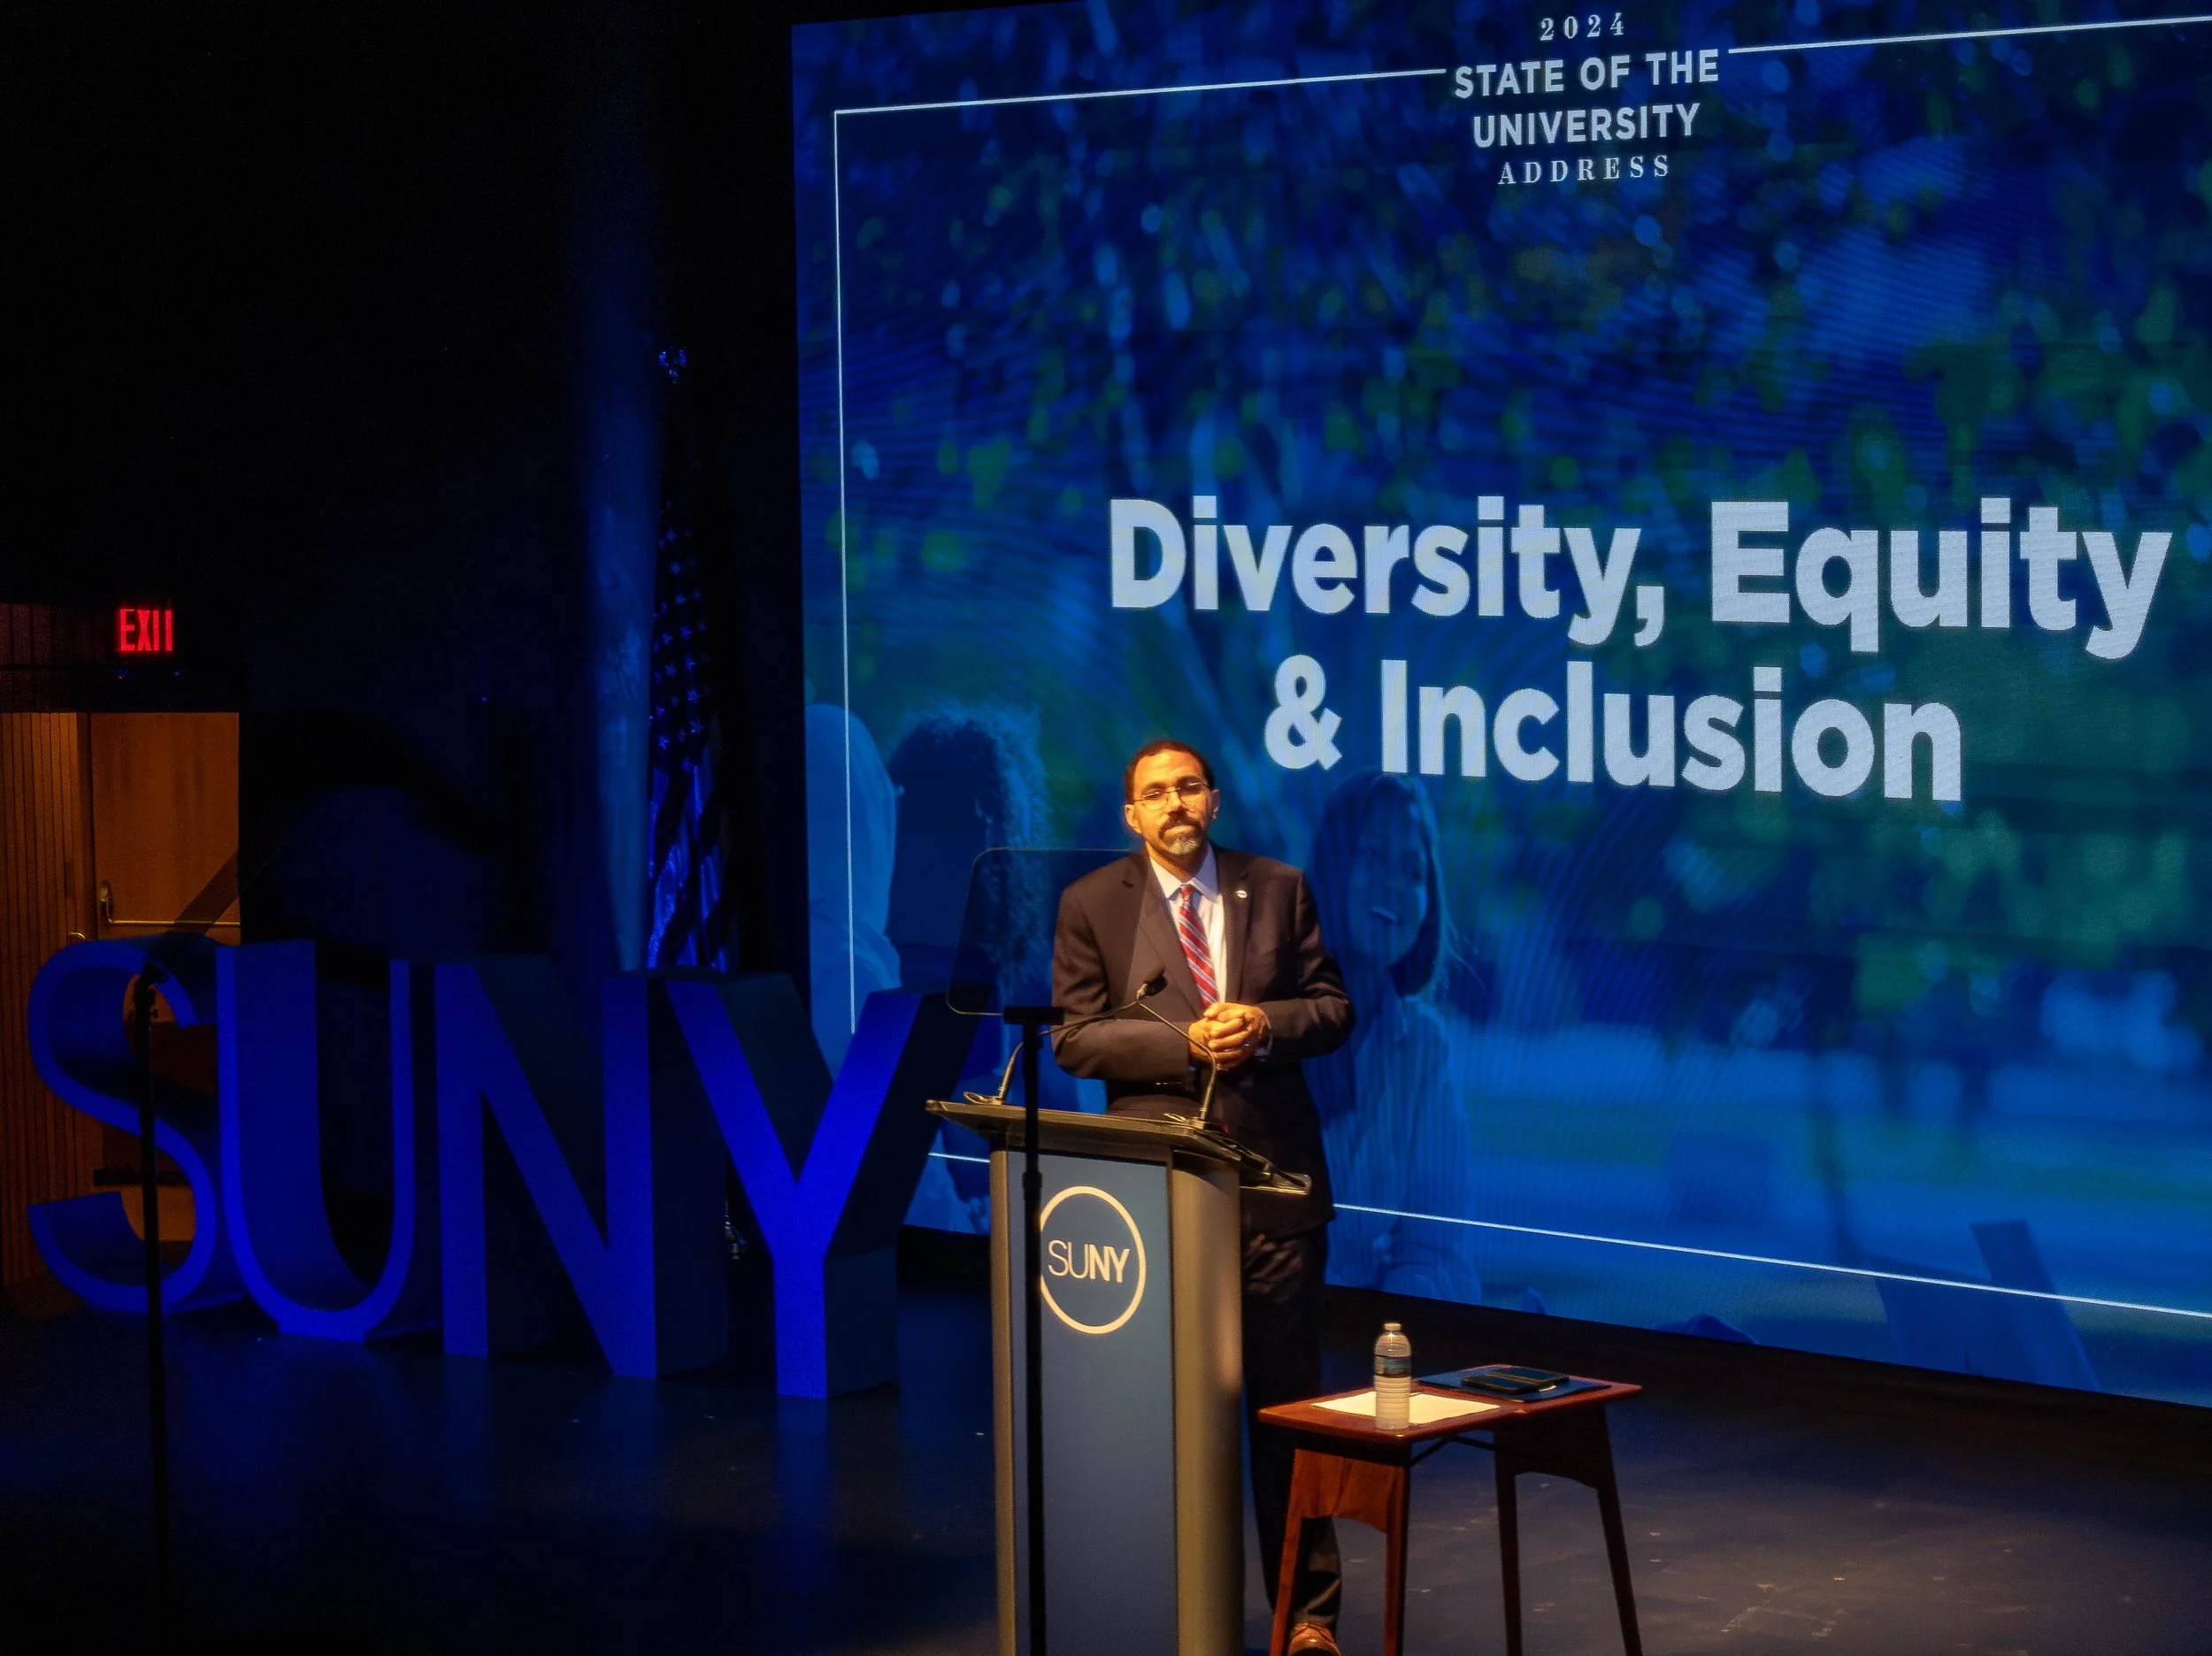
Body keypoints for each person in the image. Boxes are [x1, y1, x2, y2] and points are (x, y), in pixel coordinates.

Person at [1052, 738, 1355, 1656]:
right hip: (1154, 1204)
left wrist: (1262, 1025)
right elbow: (1077, 1040)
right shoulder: (1089, 905)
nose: (1175, 803)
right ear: (1131, 816)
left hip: (1273, 1200)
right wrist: (1186, 1044)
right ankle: (1167, 1602)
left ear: (1214, 801)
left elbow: (1333, 1009)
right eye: (1155, 793)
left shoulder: (1278, 886)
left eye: (1188, 787)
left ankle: (1306, 1618)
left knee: (1282, 1415)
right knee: (1159, 1422)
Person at [1305, 771, 1483, 1304]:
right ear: (1335, 865)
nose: (1395, 886)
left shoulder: (1426, 1048)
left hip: (1364, 1344)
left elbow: (1433, 1247)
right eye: (1374, 857)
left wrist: (1383, 1337)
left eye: (1413, 870)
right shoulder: (1256, 1016)